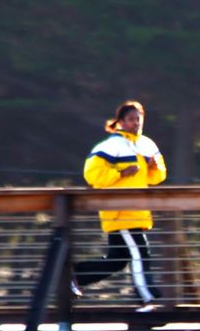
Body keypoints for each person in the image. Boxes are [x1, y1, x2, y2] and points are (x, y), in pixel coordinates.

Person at [72, 100, 167, 310]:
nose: (136, 123)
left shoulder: (147, 145)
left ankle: (74, 275)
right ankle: (146, 299)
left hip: (138, 212)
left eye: (139, 119)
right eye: (131, 119)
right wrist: (121, 173)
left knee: (117, 260)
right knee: (141, 253)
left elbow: (158, 176)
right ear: (121, 122)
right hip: (120, 212)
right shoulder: (109, 146)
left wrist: (152, 167)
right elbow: (92, 175)